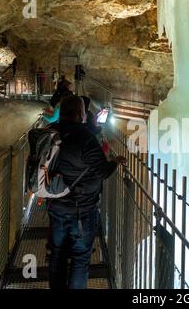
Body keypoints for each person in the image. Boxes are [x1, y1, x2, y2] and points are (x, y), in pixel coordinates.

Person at [47, 95, 126, 289]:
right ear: (81, 114)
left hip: (56, 206)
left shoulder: (50, 133)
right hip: (82, 210)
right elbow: (102, 172)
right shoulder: (86, 138)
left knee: (57, 254)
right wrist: (114, 162)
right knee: (80, 258)